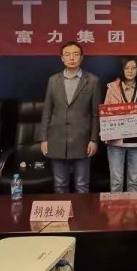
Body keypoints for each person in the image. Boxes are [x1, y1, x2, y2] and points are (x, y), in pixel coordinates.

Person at [39, 41, 101, 194]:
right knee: (60, 185)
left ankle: (82, 211)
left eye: (75, 54)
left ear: (81, 57)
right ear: (62, 58)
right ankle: (63, 211)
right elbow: (47, 111)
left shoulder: (93, 81)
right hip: (57, 139)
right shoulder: (53, 80)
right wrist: (44, 138)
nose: (71, 58)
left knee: (82, 185)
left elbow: (96, 114)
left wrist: (94, 140)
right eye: (67, 54)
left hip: (82, 140)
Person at [103, 57, 137, 193]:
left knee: (133, 180)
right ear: (122, 70)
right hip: (116, 141)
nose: (130, 71)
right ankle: (116, 208)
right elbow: (105, 113)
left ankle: (133, 207)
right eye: (127, 68)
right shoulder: (112, 88)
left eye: (133, 68)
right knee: (116, 181)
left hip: (136, 142)